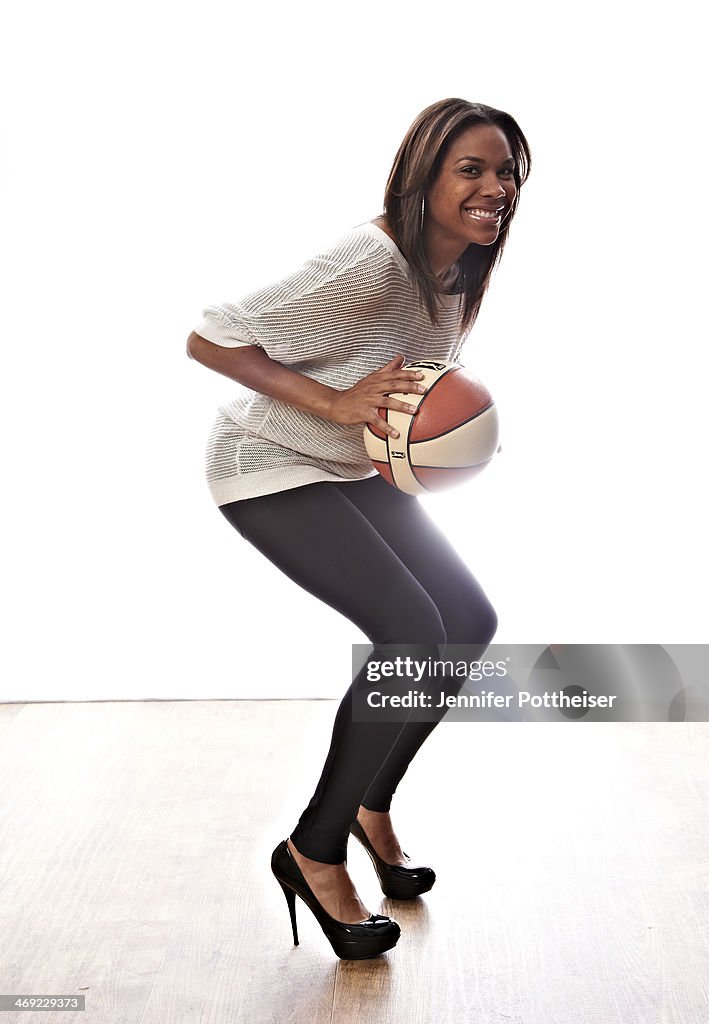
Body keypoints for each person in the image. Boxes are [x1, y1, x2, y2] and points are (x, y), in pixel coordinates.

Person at [186, 97, 531, 960]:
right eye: (473, 169)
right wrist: (337, 403)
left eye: (507, 173)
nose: (496, 187)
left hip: (344, 466)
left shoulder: (456, 269)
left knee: (468, 624)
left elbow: (411, 389)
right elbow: (211, 337)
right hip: (265, 460)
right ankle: (314, 848)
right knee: (411, 631)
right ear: (425, 176)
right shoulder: (369, 258)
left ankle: (372, 806)